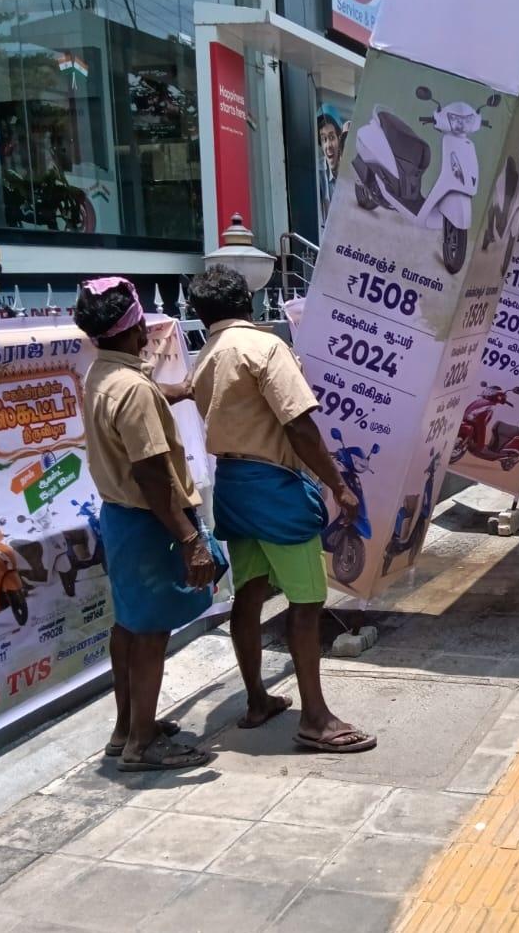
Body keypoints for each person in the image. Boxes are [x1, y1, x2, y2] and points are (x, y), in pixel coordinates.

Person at [189, 265, 376, 754]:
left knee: (248, 594)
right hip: (273, 484)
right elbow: (299, 425)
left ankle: (256, 699)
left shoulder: (207, 354)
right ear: (247, 302)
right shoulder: (264, 348)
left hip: (230, 481)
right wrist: (339, 485)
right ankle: (315, 717)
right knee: (307, 600)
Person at [75, 277, 218, 772]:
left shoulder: (102, 374)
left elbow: (137, 399)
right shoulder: (133, 390)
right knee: (152, 631)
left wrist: (175, 392)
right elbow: (152, 474)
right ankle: (141, 744)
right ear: (136, 325)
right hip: (148, 520)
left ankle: (126, 728)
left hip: (120, 519)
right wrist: (189, 537)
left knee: (129, 625)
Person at [316, 109, 344, 224]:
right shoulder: (319, 178)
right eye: (324, 139)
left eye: (332, 138)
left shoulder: (351, 175)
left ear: (339, 138)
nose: (328, 146)